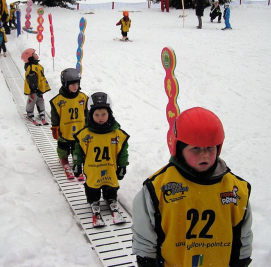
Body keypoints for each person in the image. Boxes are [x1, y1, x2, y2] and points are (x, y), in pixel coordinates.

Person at [131, 107, 253, 267]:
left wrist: (240, 262)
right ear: (180, 149)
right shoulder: (157, 188)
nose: (205, 155)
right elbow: (144, 238)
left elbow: (242, 237)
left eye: (210, 148)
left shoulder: (236, 190)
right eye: (196, 148)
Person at [73, 92, 130, 227]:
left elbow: (123, 151)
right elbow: (78, 150)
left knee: (111, 184)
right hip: (92, 169)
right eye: (96, 114)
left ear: (109, 114)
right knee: (92, 186)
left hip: (110, 167)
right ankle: (94, 201)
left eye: (104, 114)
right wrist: (77, 163)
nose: (100, 118)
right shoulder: (85, 134)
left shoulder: (116, 133)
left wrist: (122, 166)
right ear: (90, 115)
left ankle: (111, 198)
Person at [50, 68, 88, 178]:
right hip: (64, 131)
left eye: (76, 84)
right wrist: (55, 128)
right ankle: (64, 161)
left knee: (77, 149)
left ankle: (77, 164)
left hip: (79, 131)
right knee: (63, 148)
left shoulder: (83, 98)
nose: (75, 87)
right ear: (65, 84)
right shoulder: (57, 101)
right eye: (72, 84)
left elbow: (88, 113)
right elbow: (55, 116)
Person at [21, 48, 51, 124]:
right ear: (30, 57)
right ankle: (30, 113)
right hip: (34, 89)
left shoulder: (36, 64)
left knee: (40, 99)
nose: (36, 54)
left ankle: (41, 111)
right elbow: (31, 79)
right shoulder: (31, 67)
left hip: (39, 88)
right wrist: (34, 88)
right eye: (34, 54)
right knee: (32, 99)